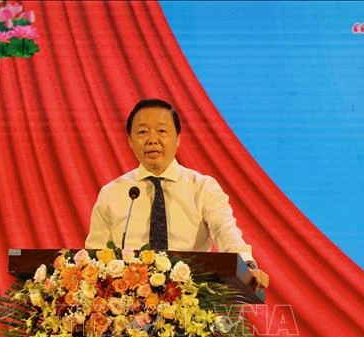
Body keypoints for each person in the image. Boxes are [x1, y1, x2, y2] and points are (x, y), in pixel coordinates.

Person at [85, 98, 269, 290]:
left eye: (162, 131)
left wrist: (248, 265)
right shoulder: (112, 193)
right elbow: (94, 256)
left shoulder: (203, 187)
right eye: (142, 132)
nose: (152, 139)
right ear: (130, 141)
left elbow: (226, 233)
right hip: (125, 305)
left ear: (178, 138)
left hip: (191, 301)